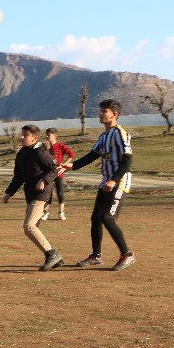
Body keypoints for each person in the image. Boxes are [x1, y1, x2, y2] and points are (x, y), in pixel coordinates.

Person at [61, 98, 136, 271]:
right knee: (96, 218)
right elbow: (92, 155)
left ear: (114, 114)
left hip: (120, 180)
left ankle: (127, 254)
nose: (100, 113)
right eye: (100, 110)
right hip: (107, 180)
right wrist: (71, 166)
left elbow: (127, 159)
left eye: (104, 111)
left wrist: (114, 180)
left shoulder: (119, 133)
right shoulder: (104, 136)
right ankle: (96, 255)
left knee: (107, 218)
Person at [2, 124, 64, 271]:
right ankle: (55, 258)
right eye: (21, 134)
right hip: (30, 195)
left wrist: (43, 180)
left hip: (42, 195)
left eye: (25, 135)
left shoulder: (40, 152)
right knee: (33, 227)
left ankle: (52, 254)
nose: (22, 137)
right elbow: (18, 177)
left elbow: (55, 169)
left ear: (34, 138)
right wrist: (9, 192)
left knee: (29, 226)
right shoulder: (22, 153)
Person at [43, 127, 75, 221]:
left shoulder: (60, 146)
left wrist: (64, 165)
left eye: (49, 135)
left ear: (54, 136)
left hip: (58, 173)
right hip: (48, 173)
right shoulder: (46, 147)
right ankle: (46, 213)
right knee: (48, 193)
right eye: (47, 135)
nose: (47, 136)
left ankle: (61, 212)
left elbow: (71, 154)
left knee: (60, 192)